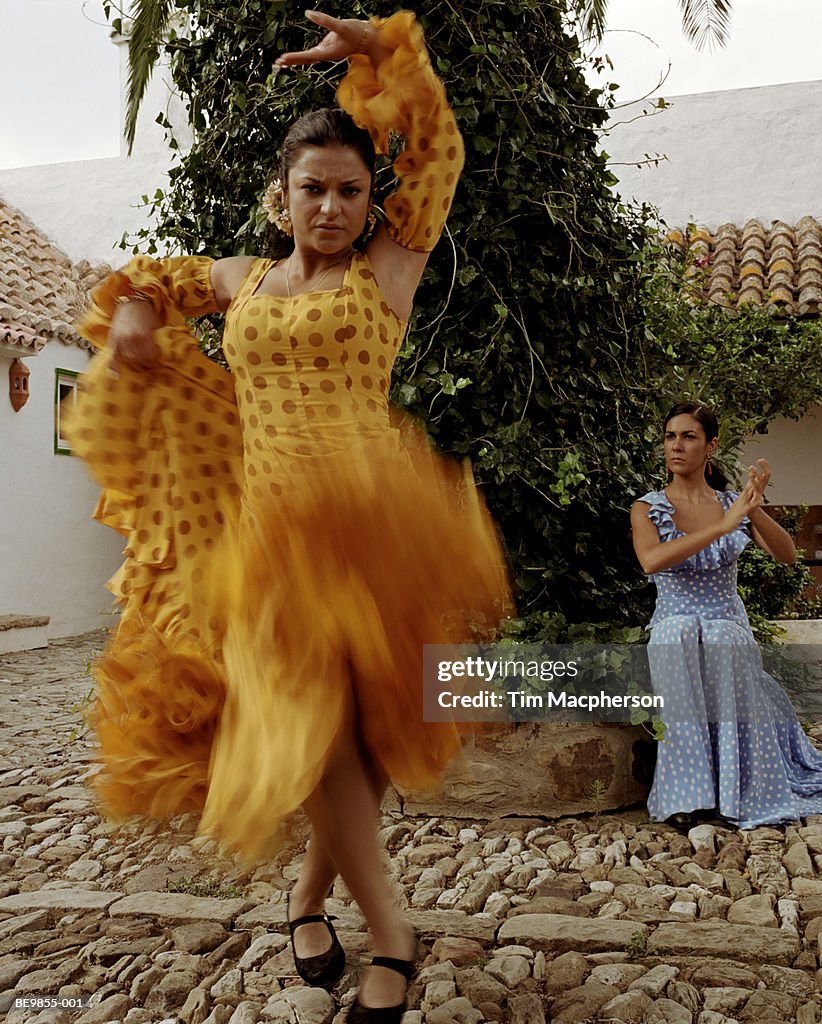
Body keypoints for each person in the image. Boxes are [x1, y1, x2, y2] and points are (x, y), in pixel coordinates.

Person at [66, 11, 511, 1021]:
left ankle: (309, 901)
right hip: (268, 541)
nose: (332, 205)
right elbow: (149, 283)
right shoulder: (242, 280)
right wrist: (135, 307)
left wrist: (384, 56)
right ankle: (393, 933)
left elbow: (437, 150)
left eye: (351, 191)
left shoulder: (387, 275)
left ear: (368, 204)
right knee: (310, 740)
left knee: (364, 736)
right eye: (313, 187)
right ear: (282, 194)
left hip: (373, 528)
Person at [630, 400, 822, 831]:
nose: (676, 446)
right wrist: (721, 527)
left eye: (688, 436)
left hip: (725, 620)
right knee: (675, 633)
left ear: (710, 447)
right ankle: (685, 797)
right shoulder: (647, 508)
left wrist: (751, 506)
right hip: (674, 620)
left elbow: (787, 556)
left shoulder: (731, 503)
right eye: (670, 437)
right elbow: (651, 561)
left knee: (724, 638)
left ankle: (735, 794)